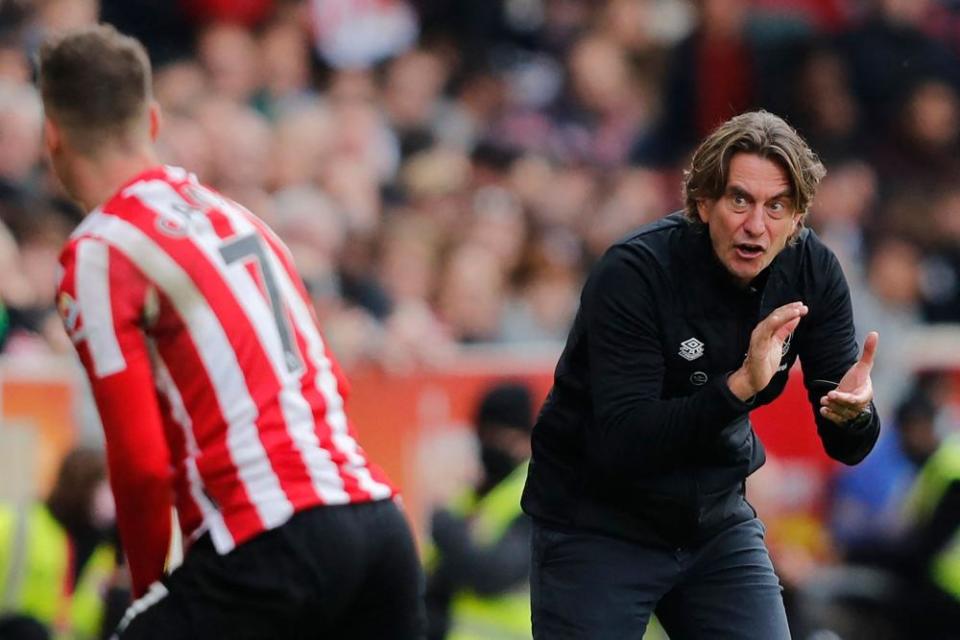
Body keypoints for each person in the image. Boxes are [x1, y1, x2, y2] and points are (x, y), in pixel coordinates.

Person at [39, 25, 423, 638]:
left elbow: (139, 463)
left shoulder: (101, 248)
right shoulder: (241, 218)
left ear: (51, 136)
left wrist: (144, 592)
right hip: (377, 525)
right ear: (154, 122)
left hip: (272, 536)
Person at [521, 110, 881, 639]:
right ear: (703, 202)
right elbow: (625, 440)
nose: (755, 225)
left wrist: (855, 415)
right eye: (740, 199)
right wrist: (738, 388)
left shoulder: (814, 272)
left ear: (798, 217)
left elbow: (845, 444)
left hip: (714, 524)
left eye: (776, 206)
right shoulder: (635, 273)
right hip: (596, 522)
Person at [425, 382, 534, 640]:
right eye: (485, 435)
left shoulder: (537, 497)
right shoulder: (468, 498)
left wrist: (444, 525)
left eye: (501, 436)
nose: (490, 445)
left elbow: (492, 574)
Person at [0, 448, 118, 640]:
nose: (112, 499)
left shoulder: (105, 553)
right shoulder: (14, 526)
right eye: (105, 486)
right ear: (82, 486)